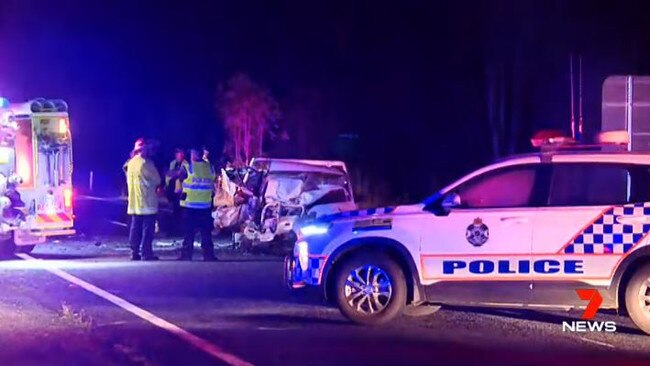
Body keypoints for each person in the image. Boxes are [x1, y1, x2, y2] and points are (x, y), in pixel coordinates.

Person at [178, 148, 217, 261]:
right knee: (206, 233)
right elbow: (213, 179)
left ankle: (186, 255)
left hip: (190, 205)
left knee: (189, 232)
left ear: (194, 154)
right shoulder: (209, 167)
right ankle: (208, 255)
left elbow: (179, 177)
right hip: (205, 205)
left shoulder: (188, 167)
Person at [126, 138, 161, 261]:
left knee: (135, 228)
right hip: (147, 202)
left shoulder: (130, 163)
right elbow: (157, 180)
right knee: (147, 230)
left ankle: (134, 252)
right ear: (143, 149)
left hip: (134, 203)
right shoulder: (146, 164)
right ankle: (146, 253)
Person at [165, 148, 189, 235]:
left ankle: (181, 231)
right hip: (173, 191)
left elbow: (180, 174)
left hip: (183, 191)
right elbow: (168, 174)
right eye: (178, 153)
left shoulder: (186, 164)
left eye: (181, 153)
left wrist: (174, 173)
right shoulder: (173, 163)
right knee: (174, 211)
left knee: (182, 212)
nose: (179, 155)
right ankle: (175, 230)